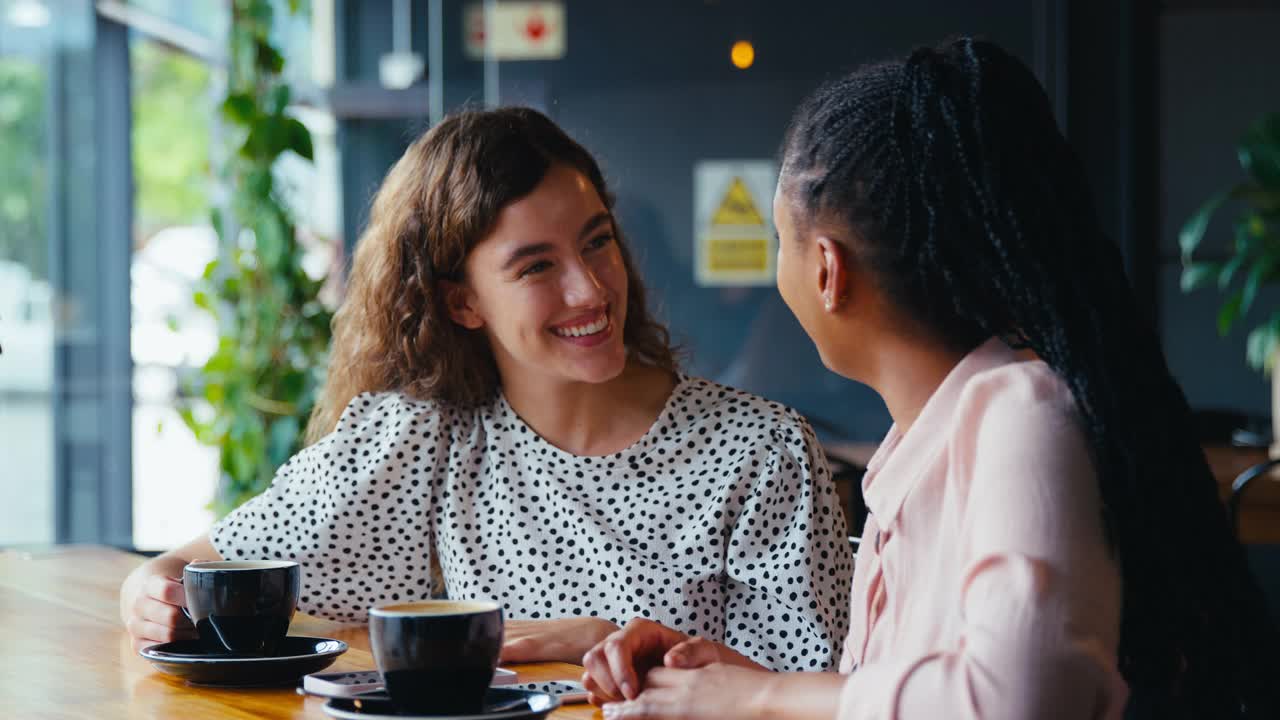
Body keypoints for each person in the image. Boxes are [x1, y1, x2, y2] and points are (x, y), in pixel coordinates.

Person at [582, 38, 1280, 719]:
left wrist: (766, 699)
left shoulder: (1021, 411)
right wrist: (727, 683)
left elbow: (1016, 700)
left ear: (828, 270)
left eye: (777, 241)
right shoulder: (926, 440)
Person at [118, 107, 853, 671]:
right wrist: (149, 590)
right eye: (536, 267)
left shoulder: (761, 451)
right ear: (462, 303)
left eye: (597, 241)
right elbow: (199, 567)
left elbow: (813, 700)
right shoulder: (423, 439)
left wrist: (601, 644)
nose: (590, 289)